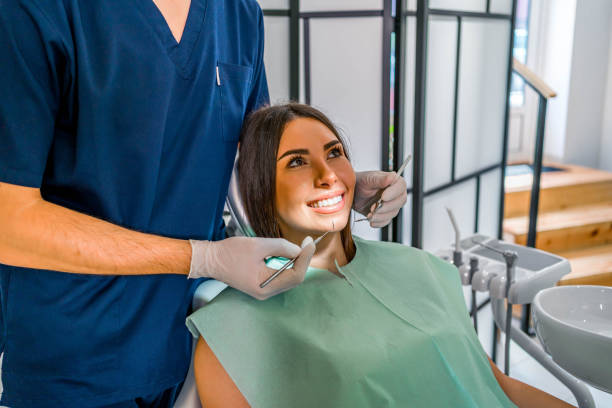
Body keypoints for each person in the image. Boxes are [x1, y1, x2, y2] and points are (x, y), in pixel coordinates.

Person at [0, 1, 406, 407]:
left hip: (200, 336)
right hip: (76, 362)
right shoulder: (38, 11)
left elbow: (256, 164)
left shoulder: (239, 14)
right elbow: (9, 222)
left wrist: (336, 190)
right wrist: (203, 258)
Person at [186, 103, 575, 408]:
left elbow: (498, 387)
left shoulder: (418, 267)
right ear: (259, 188)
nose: (330, 176)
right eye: (297, 162)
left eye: (334, 152)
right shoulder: (231, 334)